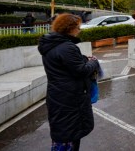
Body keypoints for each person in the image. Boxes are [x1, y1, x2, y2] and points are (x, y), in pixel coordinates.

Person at [38, 14, 101, 151]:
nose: (79, 30)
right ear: (70, 28)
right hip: (70, 100)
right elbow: (81, 71)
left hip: (59, 96)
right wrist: (94, 63)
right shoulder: (67, 47)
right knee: (69, 138)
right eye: (78, 27)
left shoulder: (51, 45)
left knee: (63, 136)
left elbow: (64, 65)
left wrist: (83, 59)